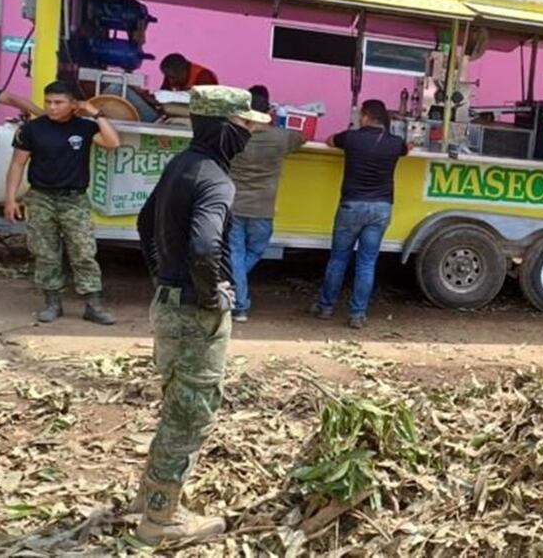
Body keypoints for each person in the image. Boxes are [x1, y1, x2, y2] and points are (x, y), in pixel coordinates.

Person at [133, 85, 269, 544]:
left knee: (176, 404)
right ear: (224, 128)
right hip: (194, 315)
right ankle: (161, 519)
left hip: (168, 304)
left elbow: (144, 221)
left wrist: (163, 277)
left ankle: (148, 495)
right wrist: (211, 296)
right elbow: (206, 246)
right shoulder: (216, 180)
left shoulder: (181, 165)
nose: (250, 133)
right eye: (245, 125)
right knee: (191, 415)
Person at [4, 81, 120, 325]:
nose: (52, 107)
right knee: (45, 253)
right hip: (40, 198)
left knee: (83, 252)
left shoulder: (85, 127)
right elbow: (17, 164)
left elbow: (112, 143)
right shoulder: (31, 129)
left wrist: (96, 114)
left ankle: (93, 305)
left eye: (59, 102)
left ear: (73, 104)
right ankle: (52, 303)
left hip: (74, 199)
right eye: (48, 102)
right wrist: (11, 199)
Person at [313, 99, 408, 329]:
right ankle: (357, 314)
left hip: (351, 206)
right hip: (381, 208)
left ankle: (325, 307)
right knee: (366, 262)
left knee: (338, 259)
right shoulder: (395, 143)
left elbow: (329, 141)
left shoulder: (351, 138)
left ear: (365, 116)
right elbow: (407, 149)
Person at [228, 85, 305, 322]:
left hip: (234, 205)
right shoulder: (281, 137)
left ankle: (235, 291)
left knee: (236, 254)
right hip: (263, 208)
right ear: (268, 111)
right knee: (255, 251)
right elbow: (302, 138)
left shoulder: (232, 135)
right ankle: (240, 304)